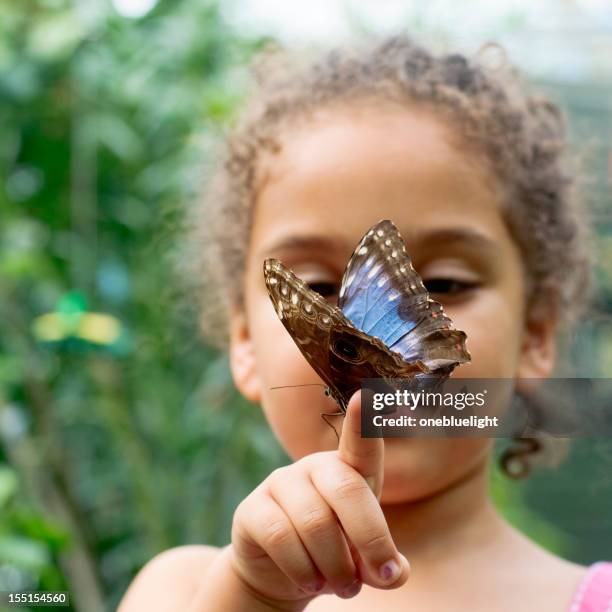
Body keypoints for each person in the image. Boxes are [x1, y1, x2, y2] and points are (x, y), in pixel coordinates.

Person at [118, 35, 611, 611]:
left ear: (537, 335)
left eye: (447, 283)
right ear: (245, 342)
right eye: (321, 291)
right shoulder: (186, 591)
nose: (367, 338)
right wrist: (252, 597)